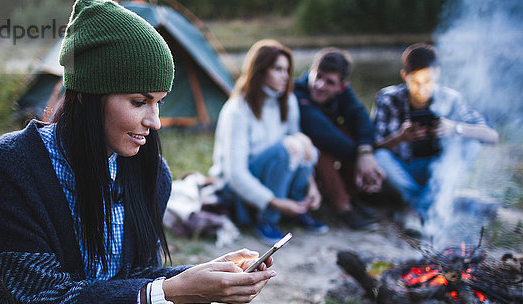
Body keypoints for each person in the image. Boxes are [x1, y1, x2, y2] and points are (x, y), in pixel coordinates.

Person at [0, 1, 299, 304]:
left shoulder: (150, 173)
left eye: (159, 102)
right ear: (89, 95)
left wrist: (205, 276)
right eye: (139, 101)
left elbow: (133, 273)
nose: (155, 121)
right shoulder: (8, 167)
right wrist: (174, 290)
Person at [371, 43, 498, 237]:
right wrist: (400, 138)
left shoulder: (451, 98)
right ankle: (431, 207)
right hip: (403, 172)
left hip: (437, 172)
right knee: (380, 156)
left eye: (428, 80)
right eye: (416, 82)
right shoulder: (388, 98)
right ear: (404, 76)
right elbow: (374, 147)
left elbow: (491, 136)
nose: (422, 89)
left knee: (471, 144)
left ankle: (414, 209)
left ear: (437, 74)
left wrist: (455, 128)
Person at [209, 39, 327, 245]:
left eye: (287, 70)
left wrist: (312, 186)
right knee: (287, 148)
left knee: (302, 143)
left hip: (272, 178)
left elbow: (300, 146)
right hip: (235, 191)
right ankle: (268, 220)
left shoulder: (288, 101)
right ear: (261, 71)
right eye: (278, 69)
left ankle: (299, 207)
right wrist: (276, 203)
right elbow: (235, 174)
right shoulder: (237, 110)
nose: (285, 76)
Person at [294, 47, 384, 230]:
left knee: (350, 132)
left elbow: (360, 116)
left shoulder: (344, 93)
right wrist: (362, 157)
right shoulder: (298, 92)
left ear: (341, 86)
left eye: (329, 82)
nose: (320, 85)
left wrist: (366, 150)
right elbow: (321, 132)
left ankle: (351, 197)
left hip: (329, 147)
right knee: (320, 147)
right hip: (304, 154)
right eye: (318, 76)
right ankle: (342, 205)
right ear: (310, 72)